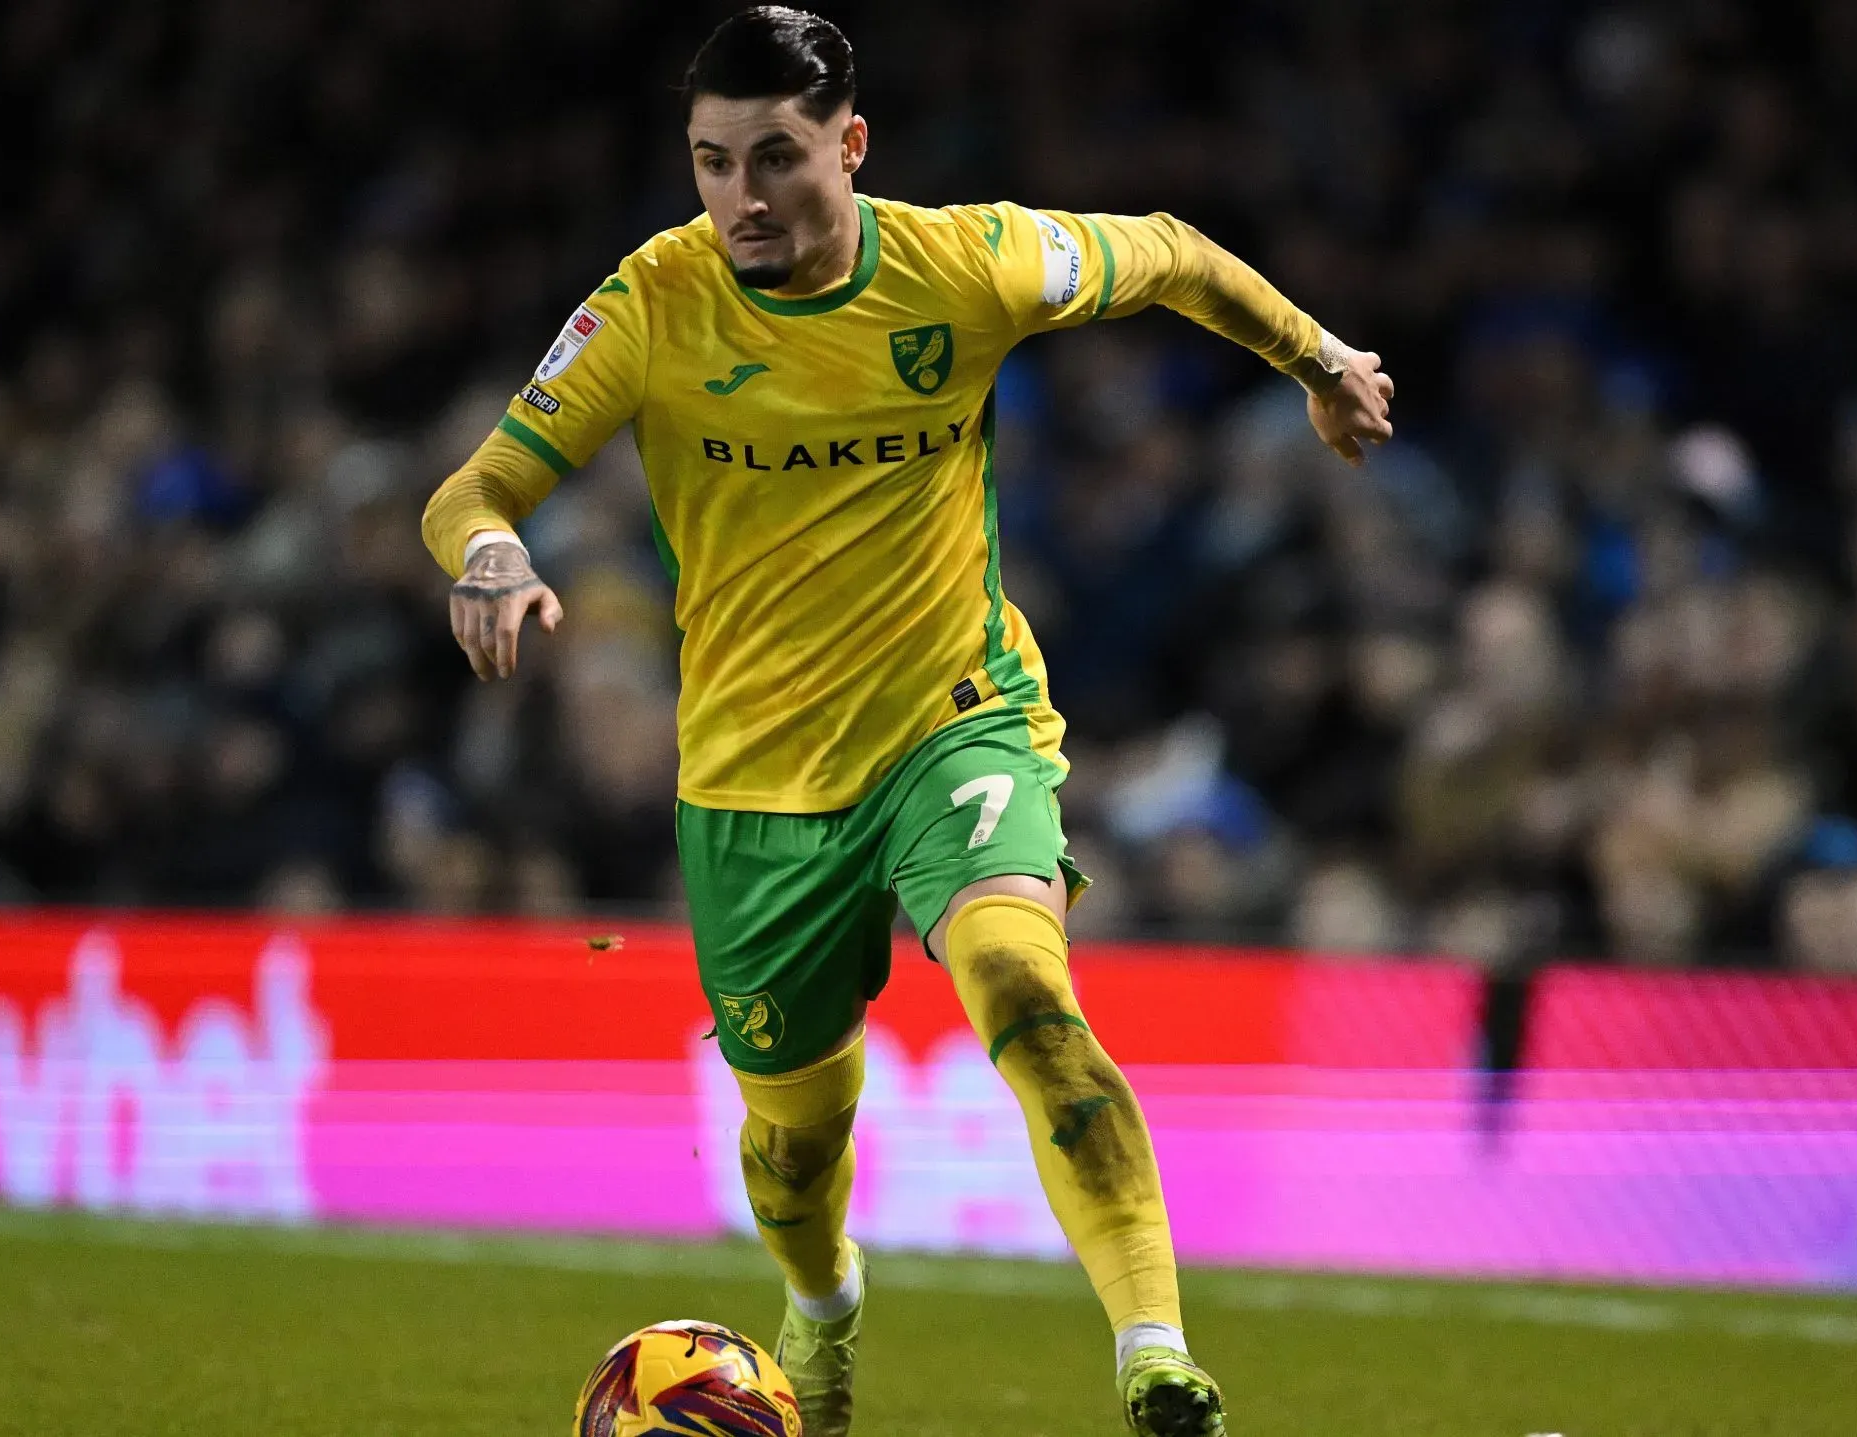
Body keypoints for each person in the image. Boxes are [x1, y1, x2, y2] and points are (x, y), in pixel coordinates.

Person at [421, 9, 1393, 1434]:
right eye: (712, 162)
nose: (743, 197)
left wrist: (1318, 358)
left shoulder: (965, 265)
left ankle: (1155, 1353)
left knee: (1027, 996)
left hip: (955, 725)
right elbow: (476, 487)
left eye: (776, 156)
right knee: (793, 1148)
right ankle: (822, 1308)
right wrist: (493, 557)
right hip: (754, 784)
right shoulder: (653, 304)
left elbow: (1173, 251)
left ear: (852, 146)